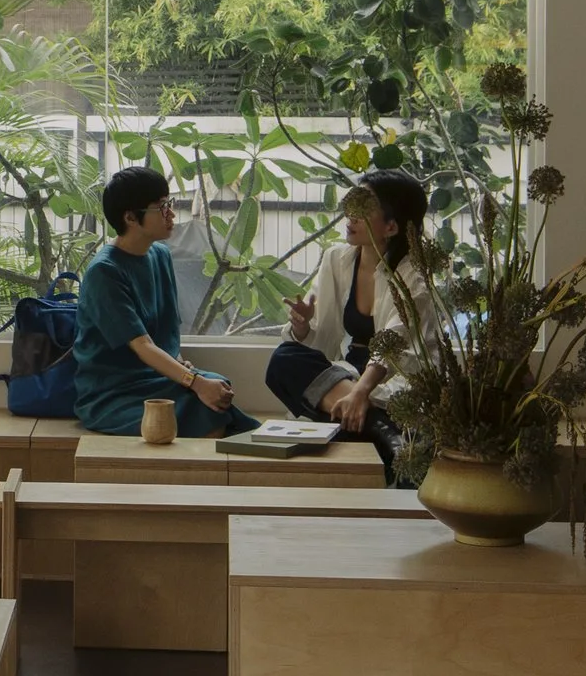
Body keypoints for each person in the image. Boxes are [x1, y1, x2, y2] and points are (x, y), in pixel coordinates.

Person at [265, 171, 431, 478]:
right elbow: (324, 339)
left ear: (391, 226)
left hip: (398, 378)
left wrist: (361, 393)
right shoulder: (337, 259)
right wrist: (303, 327)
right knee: (283, 359)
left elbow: (394, 342)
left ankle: (367, 421)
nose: (350, 215)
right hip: (348, 373)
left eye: (364, 206)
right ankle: (380, 427)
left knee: (343, 430)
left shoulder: (414, 277)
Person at [74, 165, 258, 439]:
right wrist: (194, 382)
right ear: (130, 218)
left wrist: (188, 372)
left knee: (219, 390)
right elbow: (143, 345)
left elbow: (166, 333)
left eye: (168, 203)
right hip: (113, 393)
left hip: (156, 381)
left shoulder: (160, 255)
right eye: (161, 207)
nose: (171, 213)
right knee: (207, 410)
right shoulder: (105, 272)